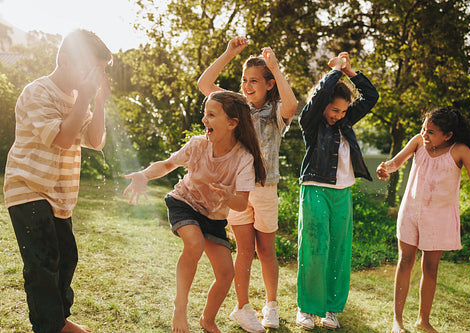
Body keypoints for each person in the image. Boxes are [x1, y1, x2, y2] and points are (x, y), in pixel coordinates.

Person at [123, 91, 266, 333]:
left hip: (213, 217)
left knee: (225, 274)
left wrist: (229, 196)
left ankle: (207, 319)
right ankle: (181, 306)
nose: (204, 120)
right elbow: (168, 164)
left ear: (232, 123)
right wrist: (144, 175)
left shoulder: (243, 158)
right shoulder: (198, 145)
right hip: (185, 202)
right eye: (204, 114)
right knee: (194, 244)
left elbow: (241, 204)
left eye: (211, 115)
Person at [3, 29, 112, 333]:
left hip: (59, 195)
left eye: (99, 71)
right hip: (27, 188)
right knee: (43, 262)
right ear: (65, 60)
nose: (94, 75)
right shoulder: (37, 92)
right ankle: (50, 327)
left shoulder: (79, 98)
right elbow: (64, 138)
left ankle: (59, 320)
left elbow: (94, 139)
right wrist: (85, 99)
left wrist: (98, 99)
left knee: (66, 259)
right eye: (90, 67)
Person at [197, 36, 298, 332]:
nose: (246, 85)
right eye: (244, 79)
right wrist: (229, 54)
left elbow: (291, 105)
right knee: (243, 250)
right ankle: (242, 307)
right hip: (238, 189)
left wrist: (275, 68)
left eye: (254, 80)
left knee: (266, 250)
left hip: (265, 189)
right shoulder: (237, 107)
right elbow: (205, 84)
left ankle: (271, 305)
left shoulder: (276, 111)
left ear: (268, 84)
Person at [376, 107, 470, 333]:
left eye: (431, 132)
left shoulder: (460, 151)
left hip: (439, 219)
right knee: (405, 261)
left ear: (448, 135)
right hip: (411, 212)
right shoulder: (417, 142)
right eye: (424, 128)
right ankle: (398, 321)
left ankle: (423, 320)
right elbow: (396, 162)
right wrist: (386, 169)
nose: (424, 134)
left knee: (430, 268)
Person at [296, 52, 379, 330]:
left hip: (343, 192)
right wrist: (335, 72)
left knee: (339, 250)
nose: (338, 115)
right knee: (315, 247)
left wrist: (351, 71)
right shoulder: (311, 122)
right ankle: (307, 308)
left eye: (343, 111)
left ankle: (330, 308)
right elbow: (319, 98)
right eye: (334, 110)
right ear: (323, 107)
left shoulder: (345, 122)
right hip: (315, 189)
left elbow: (371, 97)